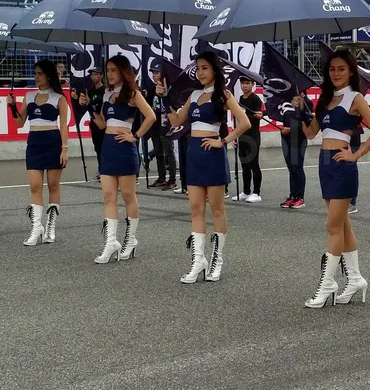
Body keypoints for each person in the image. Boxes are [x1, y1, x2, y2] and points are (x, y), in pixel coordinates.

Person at [299, 48, 370, 308]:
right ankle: (355, 278)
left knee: (332, 226)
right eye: (332, 69)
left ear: (350, 71)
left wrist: (356, 154)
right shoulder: (324, 99)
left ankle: (327, 285)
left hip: (342, 162)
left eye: (341, 69)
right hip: (324, 163)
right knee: (343, 224)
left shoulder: (356, 98)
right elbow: (312, 133)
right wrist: (302, 110)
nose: (336, 73)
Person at [167, 51, 251, 283]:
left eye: (205, 67)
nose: (201, 72)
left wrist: (222, 141)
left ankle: (217, 259)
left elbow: (244, 122)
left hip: (212, 154)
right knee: (195, 208)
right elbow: (176, 121)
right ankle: (198, 261)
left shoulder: (223, 94)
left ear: (214, 70)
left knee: (216, 210)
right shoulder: (193, 94)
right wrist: (164, 99)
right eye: (198, 68)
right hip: (193, 154)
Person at [93, 56, 156, 263]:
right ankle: (111, 242)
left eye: (113, 70)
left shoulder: (132, 93)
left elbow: (151, 116)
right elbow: (102, 125)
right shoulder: (106, 93)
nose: (109, 74)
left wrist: (135, 135)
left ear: (123, 71)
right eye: (107, 70)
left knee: (128, 195)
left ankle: (131, 239)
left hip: (126, 147)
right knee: (108, 196)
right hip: (108, 147)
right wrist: (90, 108)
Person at [7, 61, 71, 246]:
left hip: (53, 142)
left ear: (49, 75)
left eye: (40, 73)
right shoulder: (28, 95)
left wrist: (64, 149)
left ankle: (50, 226)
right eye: (35, 73)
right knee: (35, 186)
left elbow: (64, 126)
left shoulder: (59, 98)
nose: (36, 77)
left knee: (53, 185)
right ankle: (36, 227)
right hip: (34, 142)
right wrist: (11, 107)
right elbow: (20, 123)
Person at [279, 95, 312, 209]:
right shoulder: (286, 101)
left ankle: (300, 197)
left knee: (298, 168)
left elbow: (309, 122)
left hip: (299, 139)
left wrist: (291, 128)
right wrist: (262, 113)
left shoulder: (307, 103)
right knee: (291, 169)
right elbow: (277, 113)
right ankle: (292, 196)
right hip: (286, 139)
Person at [236, 76, 265, 203]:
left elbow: (255, 117)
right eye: (243, 83)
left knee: (254, 164)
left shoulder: (255, 99)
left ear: (252, 84)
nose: (245, 86)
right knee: (244, 165)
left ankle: (256, 192)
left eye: (247, 83)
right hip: (242, 135)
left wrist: (246, 116)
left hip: (252, 136)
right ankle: (246, 191)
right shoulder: (241, 98)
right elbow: (238, 118)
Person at [77, 67, 107, 179]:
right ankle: (101, 168)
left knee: (105, 147)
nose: (93, 76)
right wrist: (81, 101)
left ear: (101, 76)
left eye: (96, 74)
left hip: (104, 121)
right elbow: (85, 105)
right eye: (92, 74)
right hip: (94, 122)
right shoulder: (89, 91)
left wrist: (89, 103)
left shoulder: (105, 90)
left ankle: (105, 169)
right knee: (97, 147)